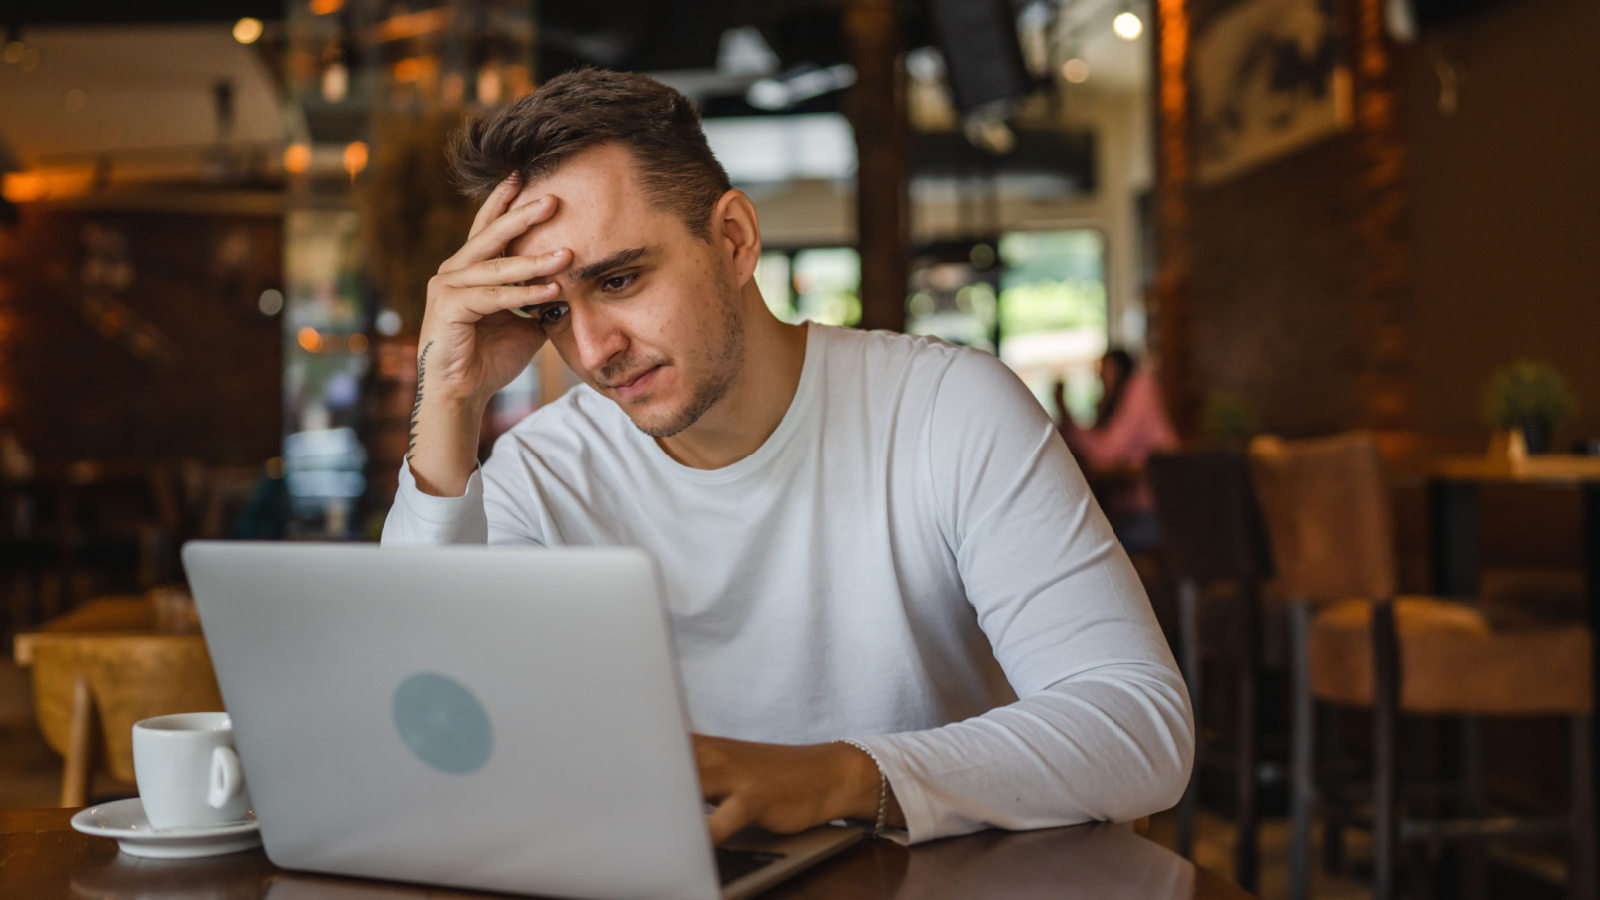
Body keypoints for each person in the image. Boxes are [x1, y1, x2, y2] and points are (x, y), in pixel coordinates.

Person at [383, 69, 1192, 846]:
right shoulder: (542, 472)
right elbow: (423, 740)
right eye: (554, 309)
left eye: (622, 279)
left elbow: (1138, 724)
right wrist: (448, 398)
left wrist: (840, 776)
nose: (593, 350)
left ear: (733, 240)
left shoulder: (948, 410)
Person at [1055, 350, 1178, 551]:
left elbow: (1108, 452)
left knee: (1091, 541)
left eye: (1105, 371)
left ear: (1118, 370)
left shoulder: (1140, 390)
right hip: (1137, 509)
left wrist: (1066, 414)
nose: (1100, 377)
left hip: (1158, 512)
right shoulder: (1117, 403)